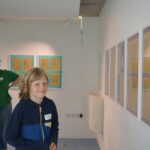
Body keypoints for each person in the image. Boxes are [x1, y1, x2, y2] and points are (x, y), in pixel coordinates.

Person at [5, 67, 59, 150]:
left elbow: (54, 127)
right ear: (28, 86)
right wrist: (38, 146)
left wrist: (53, 141)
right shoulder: (21, 108)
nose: (42, 87)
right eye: (37, 84)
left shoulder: (50, 105)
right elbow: (10, 137)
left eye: (45, 83)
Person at [0, 69, 19, 150]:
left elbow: (19, 78)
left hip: (4, 106)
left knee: (3, 132)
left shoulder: (6, 73)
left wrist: (10, 86)